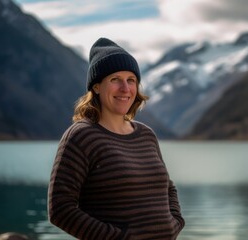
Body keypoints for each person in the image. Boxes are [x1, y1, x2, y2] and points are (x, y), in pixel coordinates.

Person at [48, 37, 185, 240]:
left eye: (131, 80)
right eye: (115, 79)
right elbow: (60, 209)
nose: (125, 88)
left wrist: (176, 222)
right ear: (96, 86)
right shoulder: (82, 136)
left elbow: (168, 186)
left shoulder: (146, 135)